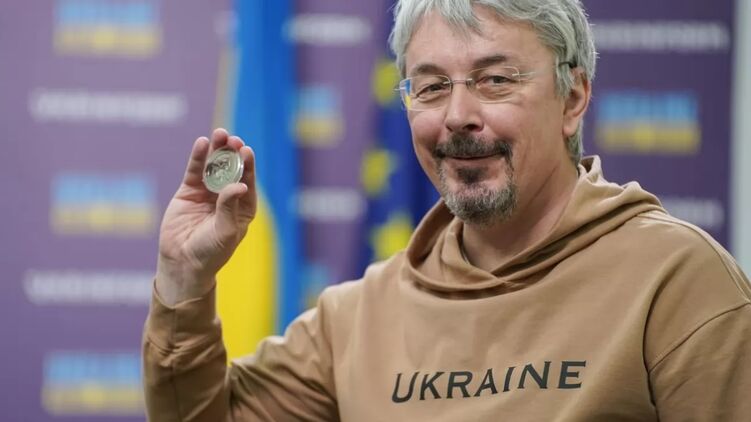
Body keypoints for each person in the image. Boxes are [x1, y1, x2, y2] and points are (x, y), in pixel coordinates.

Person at [142, 0, 751, 420]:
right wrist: (184, 283)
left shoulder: (677, 281)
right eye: (431, 86)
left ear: (572, 97)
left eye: (495, 80)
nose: (457, 115)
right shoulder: (355, 319)